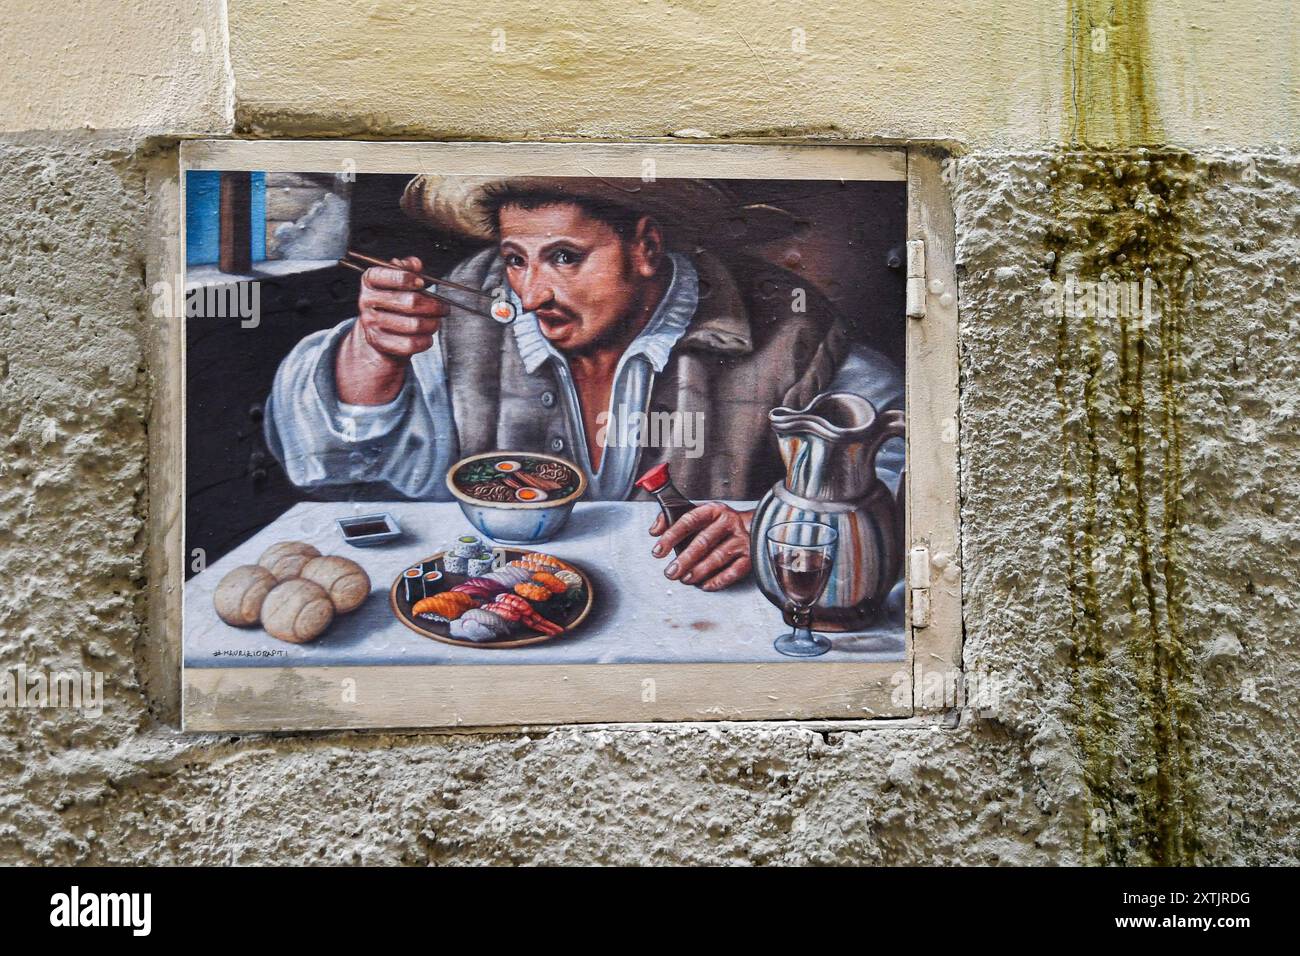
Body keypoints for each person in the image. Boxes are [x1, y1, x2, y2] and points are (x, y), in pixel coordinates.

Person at [265, 175, 903, 592]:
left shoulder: (782, 322)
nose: (533, 292)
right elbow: (331, 464)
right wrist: (374, 350)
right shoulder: (473, 302)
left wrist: (772, 527)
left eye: (564, 257)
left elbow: (909, 457)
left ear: (647, 247)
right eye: (517, 259)